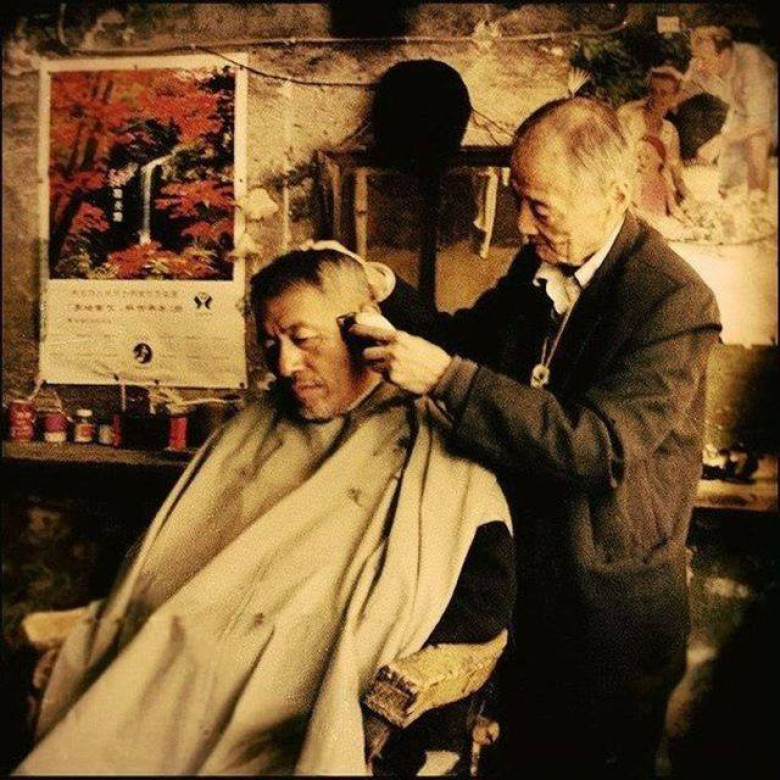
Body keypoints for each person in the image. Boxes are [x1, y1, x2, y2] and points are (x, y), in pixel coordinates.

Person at [14, 247, 515, 776]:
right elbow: (164, 565)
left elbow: (482, 600)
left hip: (297, 706)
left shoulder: (434, 448)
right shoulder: (253, 428)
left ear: (364, 327)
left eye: (304, 339)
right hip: (178, 673)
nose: (285, 365)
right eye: (270, 344)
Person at [349, 97, 722, 777]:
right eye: (518, 197)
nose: (521, 223)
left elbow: (596, 445)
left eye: (540, 207)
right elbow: (470, 342)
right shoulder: (539, 266)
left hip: (608, 622)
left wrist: (447, 380)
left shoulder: (673, 302)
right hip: (526, 599)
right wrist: (387, 288)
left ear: (614, 195)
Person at [679, 25, 777, 194]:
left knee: (756, 146)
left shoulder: (752, 67)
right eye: (696, 57)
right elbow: (676, 93)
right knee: (729, 179)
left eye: (704, 59)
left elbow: (760, 122)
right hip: (741, 112)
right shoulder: (699, 67)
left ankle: (758, 202)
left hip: (769, 113)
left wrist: (719, 142)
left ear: (724, 55)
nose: (699, 66)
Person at [618, 65, 690, 202]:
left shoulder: (670, 131)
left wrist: (690, 200)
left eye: (663, 93)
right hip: (627, 193)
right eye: (653, 91)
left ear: (674, 97)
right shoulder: (630, 118)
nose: (657, 97)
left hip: (656, 197)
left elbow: (677, 177)